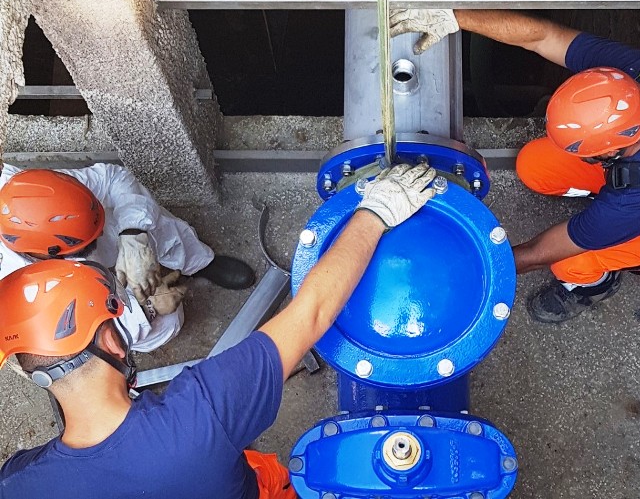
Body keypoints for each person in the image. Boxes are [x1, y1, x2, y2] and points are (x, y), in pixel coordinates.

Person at [0, 163, 436, 498]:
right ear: (114, 339)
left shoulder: (19, 483)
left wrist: (134, 233)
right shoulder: (201, 413)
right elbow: (312, 313)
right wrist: (376, 213)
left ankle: (201, 262)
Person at [390, 9, 640, 323]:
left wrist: (470, 265)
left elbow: (538, 254)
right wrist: (455, 17)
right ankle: (595, 194)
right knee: (534, 163)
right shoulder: (639, 77)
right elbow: (544, 36)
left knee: (569, 263)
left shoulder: (639, 197)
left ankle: (592, 284)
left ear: (608, 153)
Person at [0, 163, 255, 352]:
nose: (97, 243)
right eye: (86, 245)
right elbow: (73, 340)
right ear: (41, 254)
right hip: (74, 296)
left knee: (147, 220)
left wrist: (133, 234)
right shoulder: (16, 290)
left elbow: (113, 178)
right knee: (168, 322)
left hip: (97, 235)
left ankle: (200, 264)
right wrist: (148, 309)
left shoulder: (29, 189)